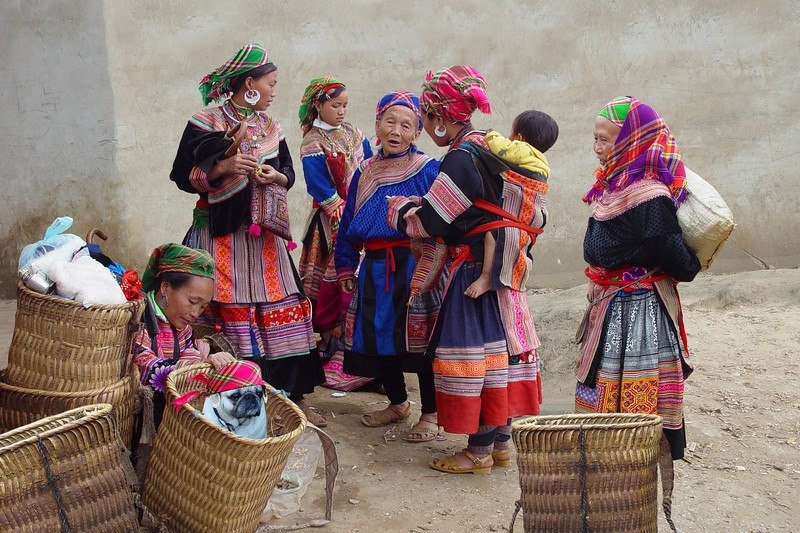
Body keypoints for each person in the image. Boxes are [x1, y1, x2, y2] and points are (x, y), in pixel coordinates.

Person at [387, 67, 542, 473]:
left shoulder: (460, 157)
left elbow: (436, 221)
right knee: (502, 355)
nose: (426, 123)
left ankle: (477, 452)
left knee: (480, 360)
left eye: (426, 115)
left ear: (440, 115)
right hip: (506, 269)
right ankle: (502, 443)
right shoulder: (490, 146)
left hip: (474, 272)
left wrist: (402, 210)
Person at [168, 43, 326, 426]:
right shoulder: (205, 121)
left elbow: (287, 171)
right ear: (249, 83)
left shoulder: (272, 127)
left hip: (264, 240)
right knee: (223, 305)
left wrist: (276, 176)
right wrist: (224, 165)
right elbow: (181, 175)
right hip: (219, 236)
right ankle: (233, 397)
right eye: (271, 83)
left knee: (280, 306)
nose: (274, 91)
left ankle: (289, 399)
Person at [575, 96, 700, 460]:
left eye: (605, 140)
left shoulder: (649, 196)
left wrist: (689, 264)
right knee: (604, 390)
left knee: (633, 402)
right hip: (612, 305)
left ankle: (633, 458)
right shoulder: (614, 183)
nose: (597, 148)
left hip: (638, 311)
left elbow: (676, 257)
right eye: (595, 138)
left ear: (633, 140)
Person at [335, 92, 442, 442]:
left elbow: (440, 216)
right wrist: (346, 266)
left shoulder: (428, 168)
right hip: (375, 268)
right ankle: (398, 402)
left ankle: (430, 414)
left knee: (419, 340)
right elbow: (349, 219)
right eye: (389, 122)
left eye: (406, 125)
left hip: (416, 266)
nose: (396, 131)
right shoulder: (364, 170)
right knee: (379, 336)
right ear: (377, 125)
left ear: (417, 133)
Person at [298, 77, 372, 337]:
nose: (341, 111)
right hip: (332, 218)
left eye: (344, 105)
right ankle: (331, 332)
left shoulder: (354, 132)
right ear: (318, 104)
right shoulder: (312, 140)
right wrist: (340, 208)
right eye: (335, 106)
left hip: (359, 209)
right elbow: (317, 183)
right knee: (328, 273)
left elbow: (370, 167)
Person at [134, 243, 237, 428]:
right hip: (138, 419)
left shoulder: (184, 327)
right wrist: (198, 367)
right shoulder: (139, 318)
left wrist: (209, 360)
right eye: (192, 301)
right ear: (165, 288)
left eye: (203, 306)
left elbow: (190, 353)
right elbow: (146, 366)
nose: (196, 313)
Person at [464, 109, 559, 298]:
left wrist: (489, 134)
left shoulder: (522, 150)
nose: (508, 138)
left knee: (494, 232)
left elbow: (501, 149)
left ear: (520, 137)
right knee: (520, 241)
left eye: (511, 133)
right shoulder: (541, 160)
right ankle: (522, 268)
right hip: (531, 212)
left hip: (518, 206)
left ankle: (486, 276)